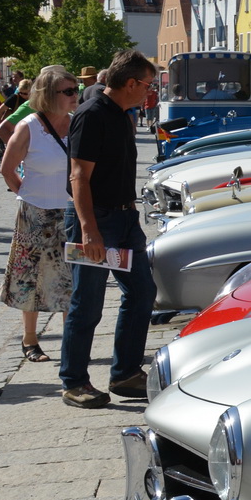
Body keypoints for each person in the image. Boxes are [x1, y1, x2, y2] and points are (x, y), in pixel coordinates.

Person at [59, 50, 158, 409]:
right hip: (95, 220)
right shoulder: (91, 115)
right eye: (148, 85)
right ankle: (74, 381)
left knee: (142, 292)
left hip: (123, 218)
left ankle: (126, 372)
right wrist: (89, 231)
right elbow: (78, 177)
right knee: (87, 304)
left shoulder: (122, 114)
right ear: (130, 83)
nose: (151, 92)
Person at [1, 65, 77, 363]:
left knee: (71, 279)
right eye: (68, 92)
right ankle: (30, 339)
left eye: (76, 91)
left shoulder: (76, 124)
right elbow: (7, 170)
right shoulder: (29, 127)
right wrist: (28, 195)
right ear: (49, 95)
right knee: (30, 277)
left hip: (70, 213)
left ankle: (70, 341)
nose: (75, 96)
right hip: (35, 213)